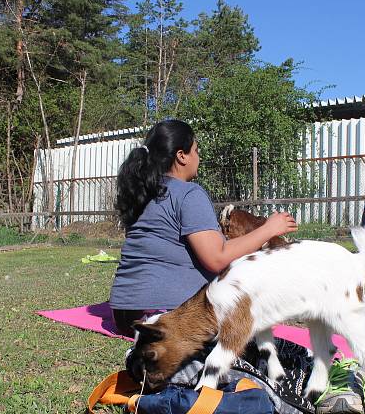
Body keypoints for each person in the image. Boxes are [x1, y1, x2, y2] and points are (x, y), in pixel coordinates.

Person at [109, 119, 297, 336]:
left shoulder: (143, 193)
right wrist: (268, 228)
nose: (199, 157)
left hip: (124, 315)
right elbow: (217, 258)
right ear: (182, 156)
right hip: (164, 316)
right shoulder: (188, 193)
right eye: (196, 151)